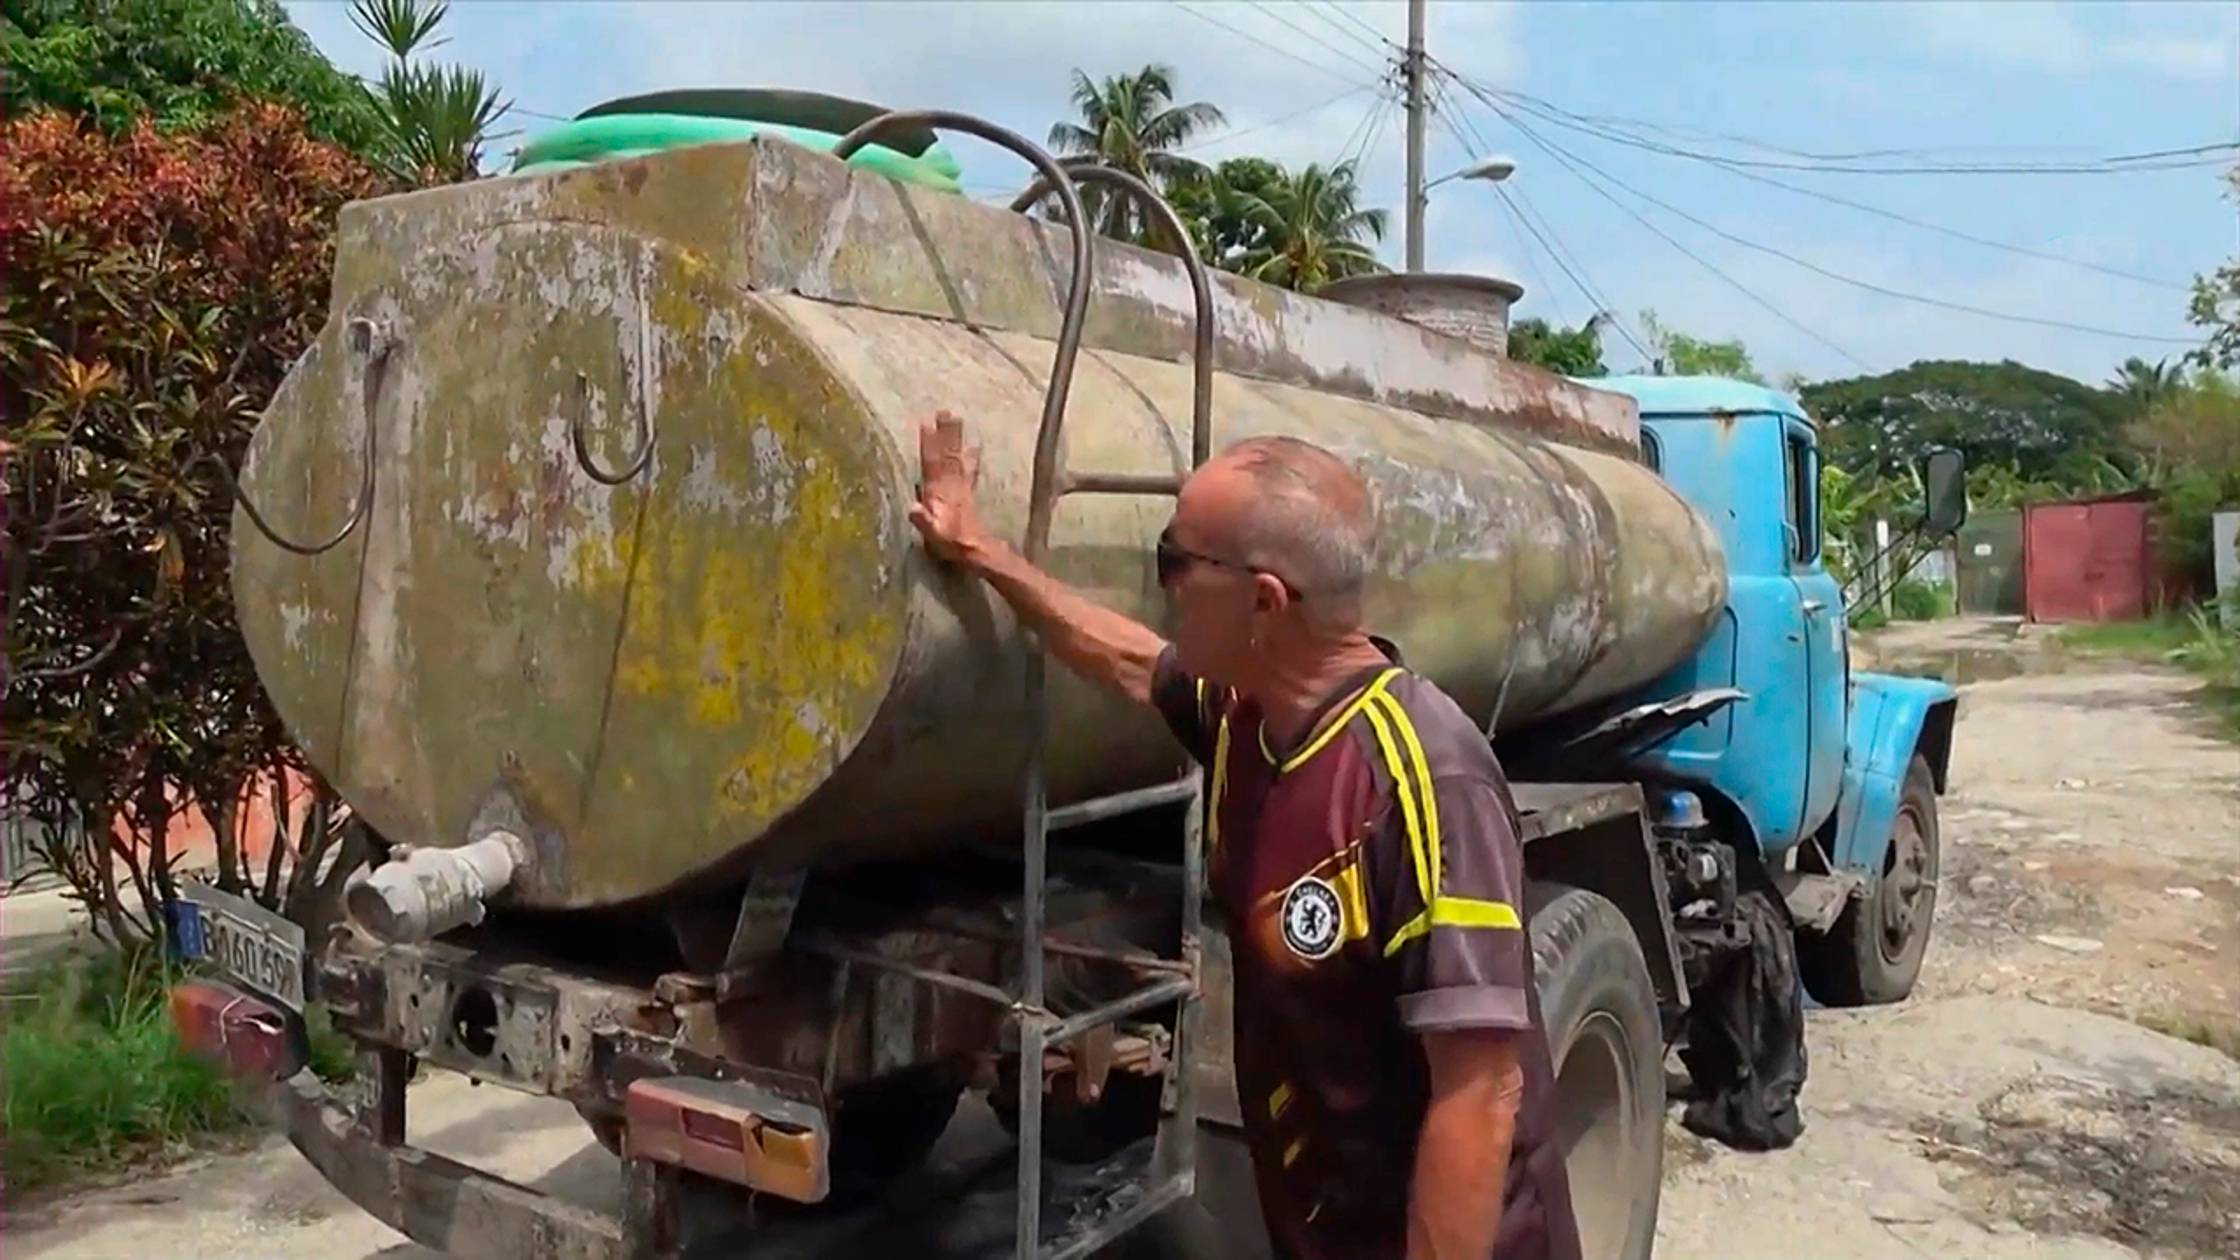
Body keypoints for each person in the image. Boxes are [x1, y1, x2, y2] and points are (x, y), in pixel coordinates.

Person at [908, 412, 1581, 1260]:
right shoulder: (1245, 717)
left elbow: (1480, 1092)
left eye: (1175, 564)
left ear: (1264, 601)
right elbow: (1124, 657)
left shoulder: (1424, 784)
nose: (1162, 587)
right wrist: (977, 549)